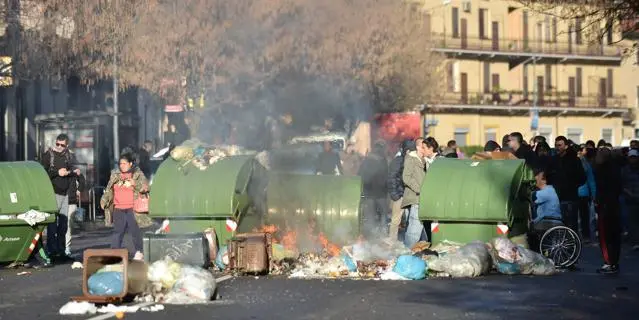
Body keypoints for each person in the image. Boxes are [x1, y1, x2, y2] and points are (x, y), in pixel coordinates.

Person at [100, 153, 148, 260]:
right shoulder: (115, 174)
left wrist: (135, 184)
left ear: (130, 164)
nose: (122, 166)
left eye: (124, 163)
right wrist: (104, 199)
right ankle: (115, 253)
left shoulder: (137, 174)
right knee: (118, 232)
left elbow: (146, 187)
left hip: (133, 208)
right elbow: (109, 189)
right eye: (120, 163)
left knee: (135, 232)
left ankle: (140, 252)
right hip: (118, 208)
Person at [41, 133, 80, 261]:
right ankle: (51, 251)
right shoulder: (49, 155)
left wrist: (75, 172)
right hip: (53, 193)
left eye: (62, 145)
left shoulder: (69, 156)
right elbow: (42, 172)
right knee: (52, 224)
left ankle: (61, 251)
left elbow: (72, 170)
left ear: (66, 145)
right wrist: (57, 172)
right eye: (57, 144)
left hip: (65, 194)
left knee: (63, 224)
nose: (58, 147)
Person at [548, 136, 586, 234]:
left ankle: (573, 246)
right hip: (556, 197)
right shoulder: (553, 160)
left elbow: (582, 178)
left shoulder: (574, 160)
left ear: (566, 146)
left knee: (571, 225)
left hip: (570, 198)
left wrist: (572, 185)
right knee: (559, 225)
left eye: (560, 145)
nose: (557, 147)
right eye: (556, 145)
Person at [594, 147, 623, 274]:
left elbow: (605, 189)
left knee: (606, 236)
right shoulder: (615, 168)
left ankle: (609, 262)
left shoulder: (603, 170)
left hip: (606, 206)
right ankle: (613, 262)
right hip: (613, 205)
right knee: (614, 236)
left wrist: (601, 202)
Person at [358, 142, 389, 238]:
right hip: (381, 193)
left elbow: (360, 174)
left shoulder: (367, 160)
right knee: (383, 213)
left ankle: (370, 235)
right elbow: (386, 176)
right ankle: (383, 233)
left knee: (370, 215)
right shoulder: (383, 161)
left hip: (369, 192)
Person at [387, 139, 415, 241]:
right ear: (407, 151)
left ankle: (407, 241)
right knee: (396, 221)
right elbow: (391, 178)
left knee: (409, 220)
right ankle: (392, 241)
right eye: (413, 151)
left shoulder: (410, 161)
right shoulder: (398, 161)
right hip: (400, 195)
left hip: (408, 195)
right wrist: (395, 195)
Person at [402, 137, 427, 248]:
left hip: (423, 198)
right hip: (415, 197)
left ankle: (421, 251)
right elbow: (406, 177)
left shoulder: (425, 160)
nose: (424, 149)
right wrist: (419, 189)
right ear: (417, 147)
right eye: (423, 147)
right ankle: (408, 252)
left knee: (422, 230)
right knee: (414, 229)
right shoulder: (411, 159)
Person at [577, 147, 597, 242]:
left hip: (582, 194)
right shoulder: (586, 164)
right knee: (583, 216)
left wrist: (594, 194)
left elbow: (591, 180)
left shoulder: (586, 165)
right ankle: (585, 236)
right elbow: (591, 180)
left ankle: (584, 236)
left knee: (583, 216)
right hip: (581, 193)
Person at [622, 149, 639, 250]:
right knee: (632, 221)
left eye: (635, 157)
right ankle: (635, 241)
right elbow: (622, 183)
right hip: (630, 198)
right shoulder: (625, 170)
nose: (633, 159)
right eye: (631, 157)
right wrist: (627, 192)